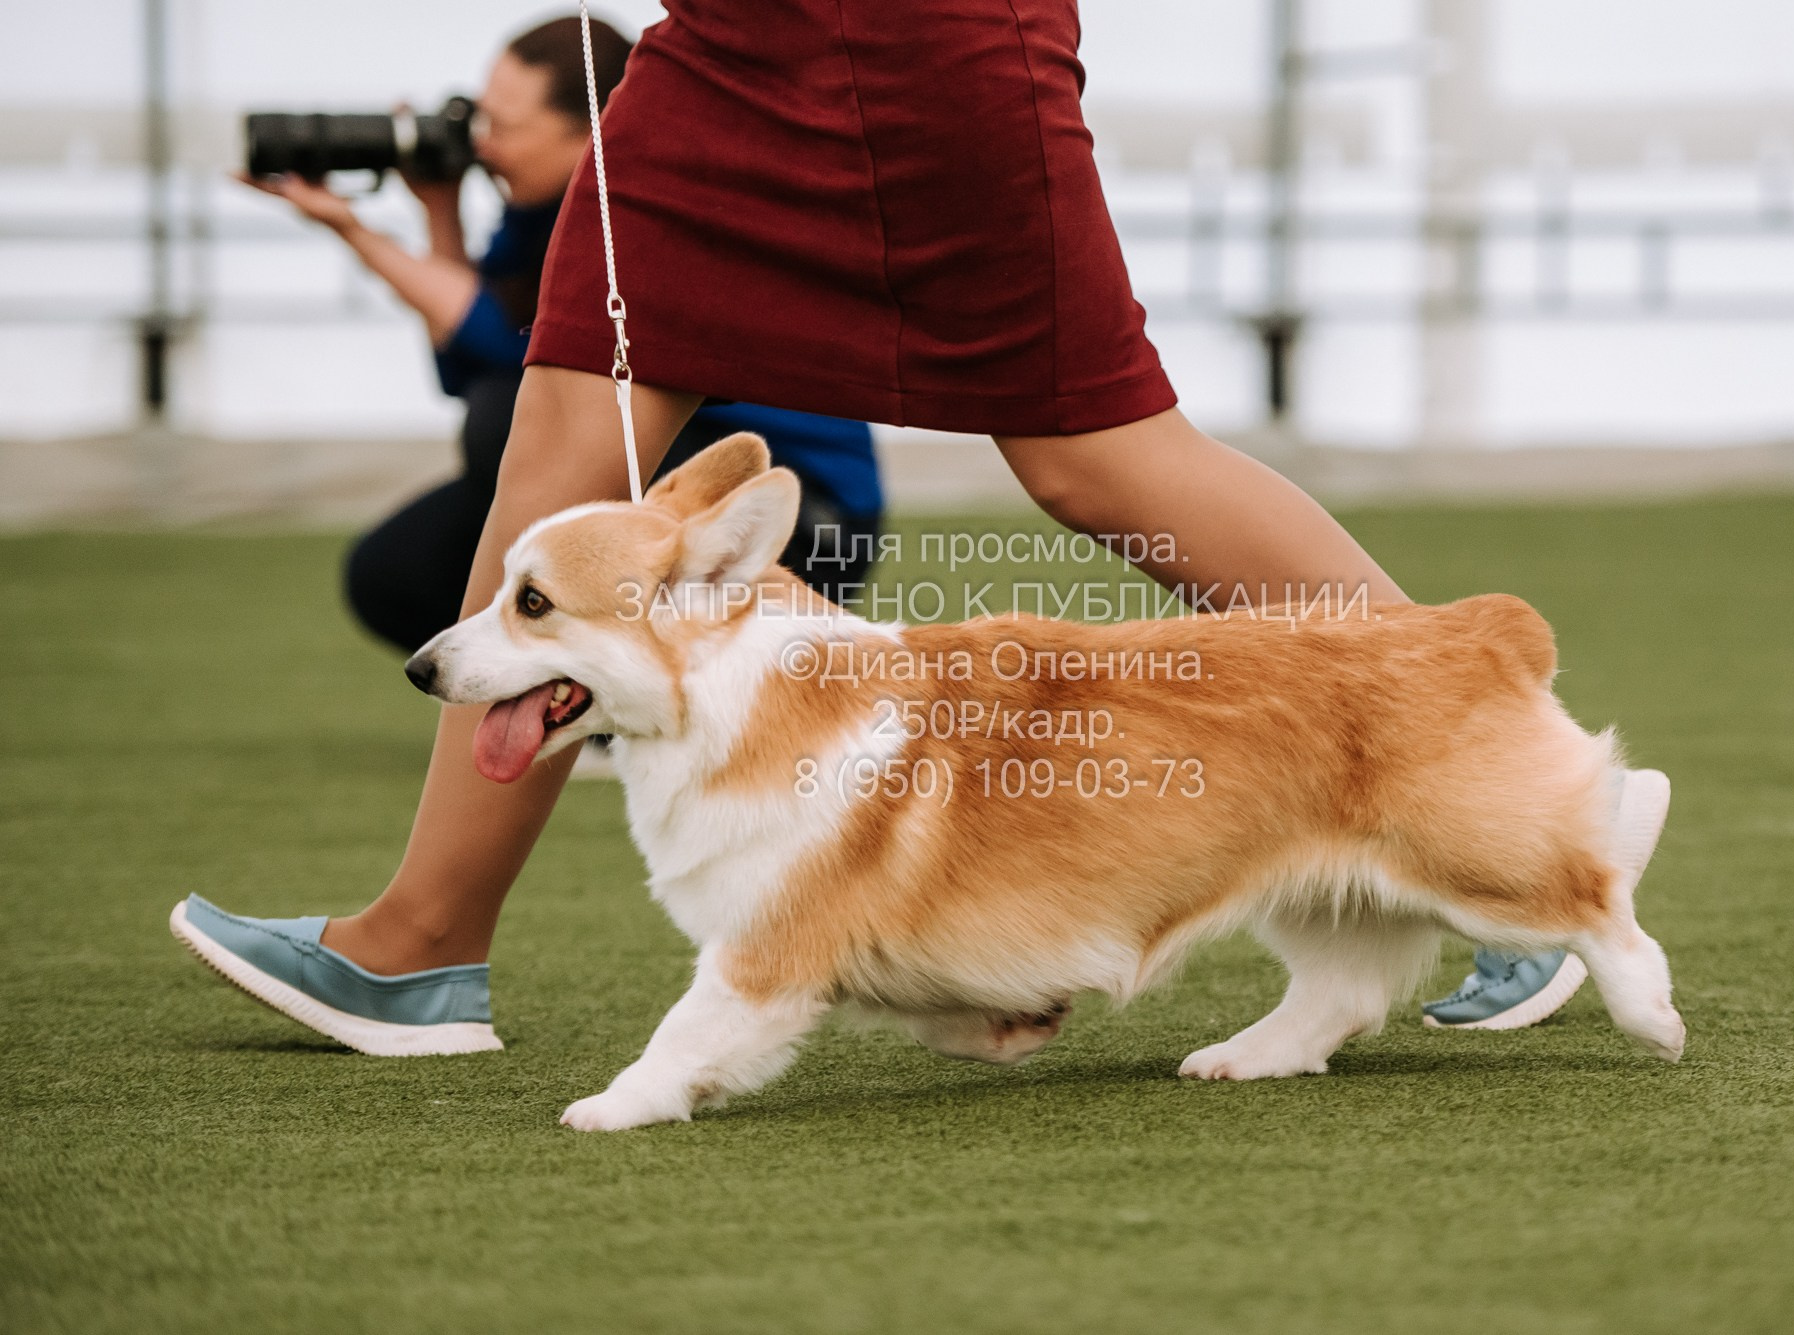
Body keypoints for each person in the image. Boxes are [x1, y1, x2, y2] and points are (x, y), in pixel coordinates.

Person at [176, 0, 1605, 1055]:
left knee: (1096, 458)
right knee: (553, 462)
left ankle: (1467, 778)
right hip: (722, 50)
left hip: (924, 43)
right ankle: (424, 943)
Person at [239, 17, 882, 660]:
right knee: (395, 571)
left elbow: (509, 348)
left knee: (507, 419)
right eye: (478, 120)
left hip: (798, 524)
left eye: (504, 128)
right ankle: (598, 724)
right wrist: (439, 210)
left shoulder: (658, 211)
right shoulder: (537, 214)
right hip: (666, 483)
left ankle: (633, 699)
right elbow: (462, 367)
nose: (481, 146)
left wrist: (357, 234)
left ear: (593, 131)